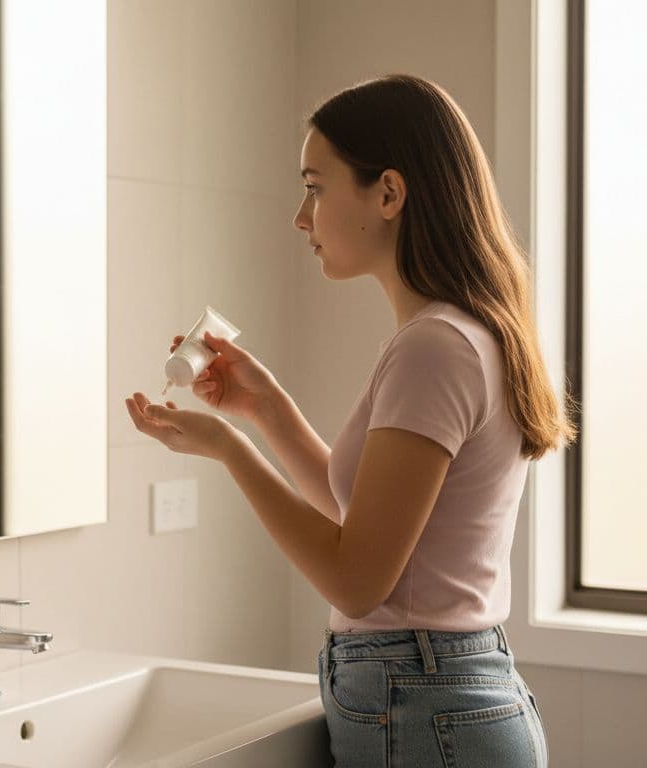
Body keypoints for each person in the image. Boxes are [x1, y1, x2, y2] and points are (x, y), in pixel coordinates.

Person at [125, 75, 573, 766]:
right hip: (441, 697)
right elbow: (359, 518)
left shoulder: (434, 346)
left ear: (388, 193)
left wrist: (231, 451)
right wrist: (265, 408)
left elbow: (359, 580)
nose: (302, 217)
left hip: (425, 703)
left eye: (315, 186)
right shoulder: (458, 334)